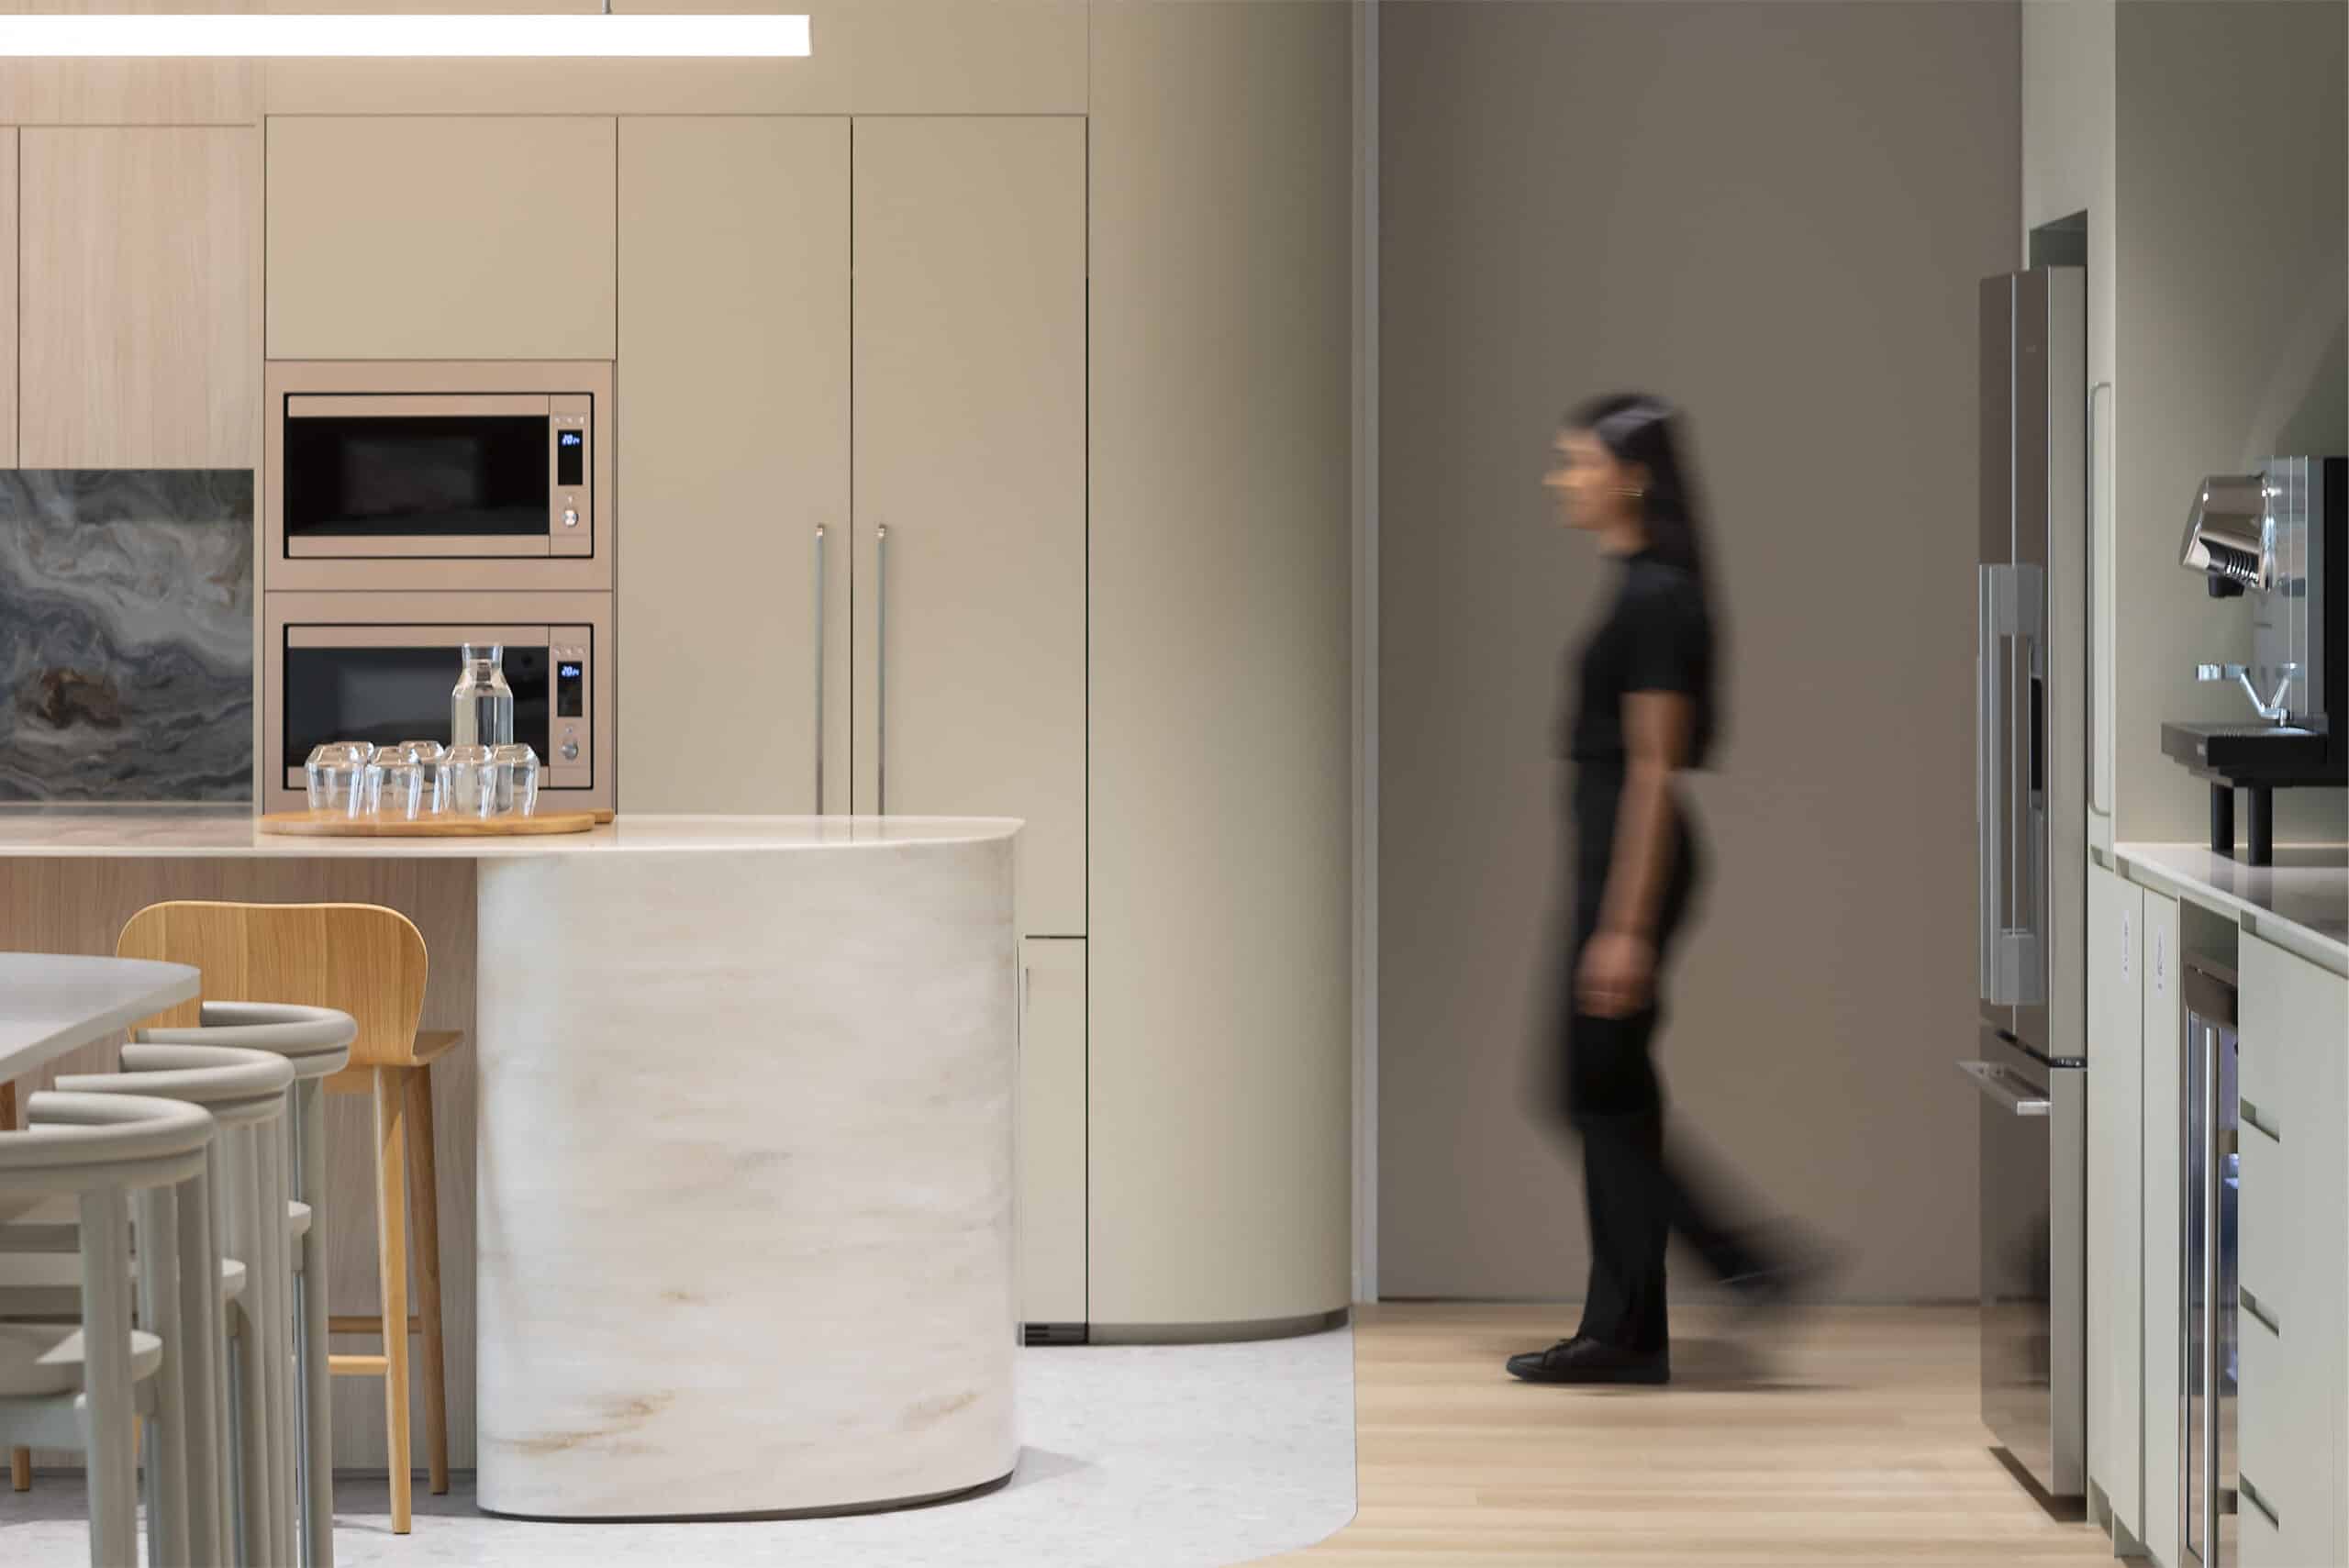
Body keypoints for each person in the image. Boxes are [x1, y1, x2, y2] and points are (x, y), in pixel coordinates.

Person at [1506, 393, 1810, 1387]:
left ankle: (1744, 1260)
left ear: (1631, 473)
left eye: (1576, 461)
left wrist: (1625, 927)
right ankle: (1628, 1327)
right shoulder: (1641, 583)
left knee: (1586, 1085)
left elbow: (1651, 769)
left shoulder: (1657, 598)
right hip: (1612, 851)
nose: (1563, 479)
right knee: (1611, 1094)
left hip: (1633, 857)